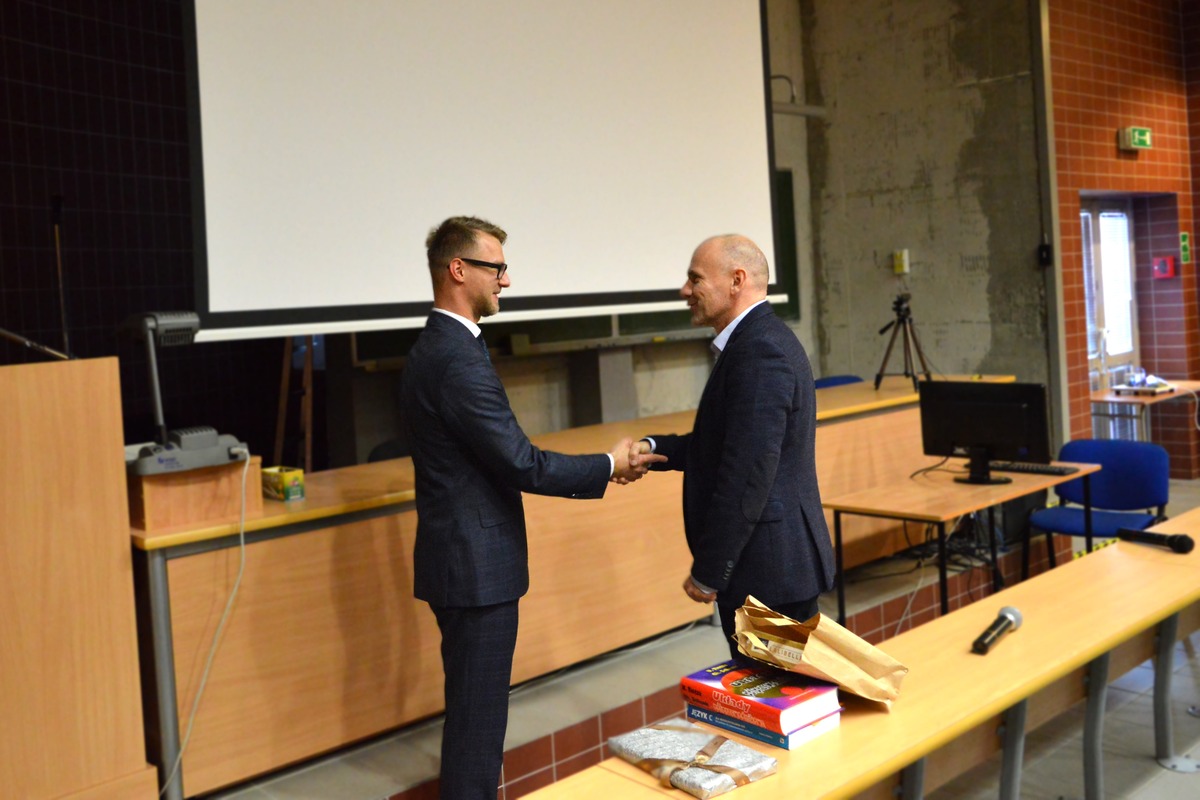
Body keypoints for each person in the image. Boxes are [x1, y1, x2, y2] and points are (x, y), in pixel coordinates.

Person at [399, 215, 663, 800]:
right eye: (496, 268)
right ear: (458, 269)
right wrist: (608, 465)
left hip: (460, 560)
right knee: (478, 724)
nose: (507, 280)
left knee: (474, 715)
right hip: (475, 569)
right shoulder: (456, 359)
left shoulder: (441, 346)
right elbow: (522, 462)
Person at [632, 234, 835, 659]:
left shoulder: (759, 350)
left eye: (695, 279)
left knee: (776, 696)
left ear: (736, 280)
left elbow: (747, 473)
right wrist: (653, 449)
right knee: (776, 693)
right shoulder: (757, 341)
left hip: (768, 572)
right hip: (770, 567)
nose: (685, 291)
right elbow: (727, 446)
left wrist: (709, 570)